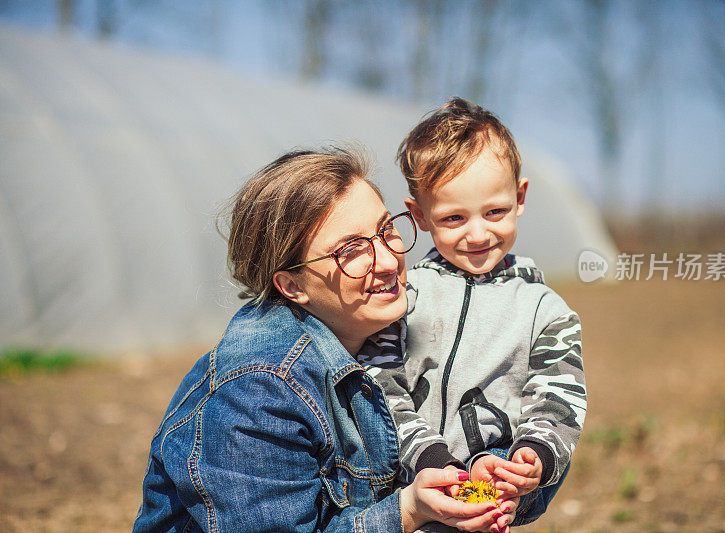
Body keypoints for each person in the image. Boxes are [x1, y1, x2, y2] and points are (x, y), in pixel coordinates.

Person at [132, 147, 516, 532]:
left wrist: (498, 468)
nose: (387, 260)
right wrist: (409, 511)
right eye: (349, 251)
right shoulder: (261, 389)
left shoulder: (390, 332)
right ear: (292, 285)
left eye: (386, 230)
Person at [362, 98, 587, 529]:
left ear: (519, 198)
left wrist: (532, 457)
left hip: (494, 485)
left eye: (495, 212)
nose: (478, 233)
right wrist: (432, 460)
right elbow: (379, 385)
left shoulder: (546, 311)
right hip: (408, 482)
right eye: (453, 218)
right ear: (420, 215)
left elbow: (559, 398)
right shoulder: (403, 297)